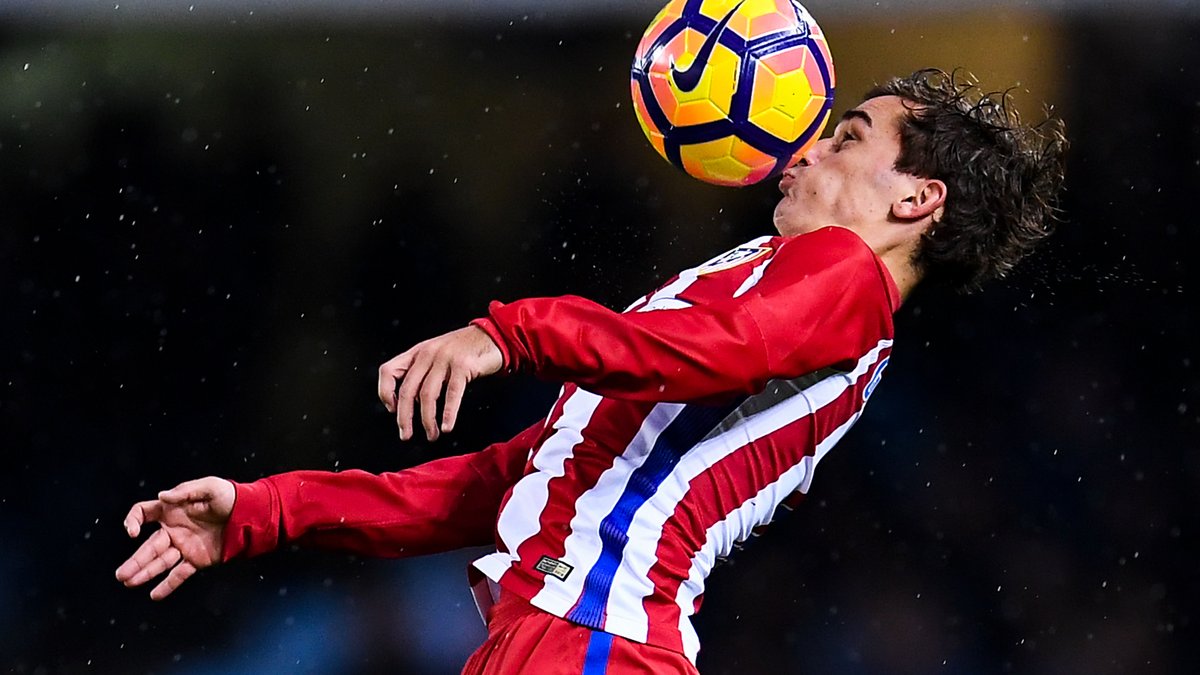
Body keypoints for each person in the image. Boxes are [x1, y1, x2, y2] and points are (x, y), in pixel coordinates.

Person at [115, 69, 1066, 673]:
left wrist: (508, 334)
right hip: (552, 633)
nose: (811, 148)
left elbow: (706, 350)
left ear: (917, 199)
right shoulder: (770, 283)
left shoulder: (846, 279)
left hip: (595, 640)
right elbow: (508, 479)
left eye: (849, 136)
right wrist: (266, 510)